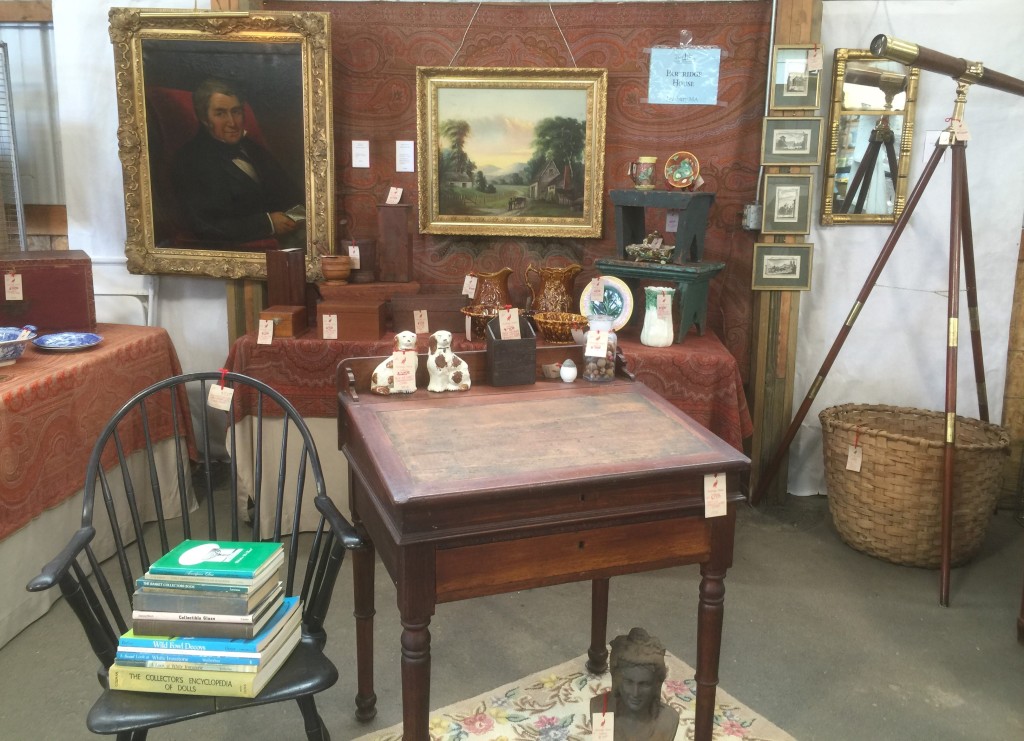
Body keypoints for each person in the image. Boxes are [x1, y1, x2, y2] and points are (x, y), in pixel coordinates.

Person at [173, 78, 304, 245]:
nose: (232, 123)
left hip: (288, 238)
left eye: (236, 112)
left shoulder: (254, 149)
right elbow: (205, 226)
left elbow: (293, 194)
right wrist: (268, 223)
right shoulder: (189, 161)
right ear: (204, 118)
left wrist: (297, 217)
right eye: (220, 113)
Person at [590, 627, 680, 740]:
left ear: (657, 684)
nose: (635, 693)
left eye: (644, 684)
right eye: (628, 682)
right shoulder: (599, 707)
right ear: (617, 679)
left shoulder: (669, 720)